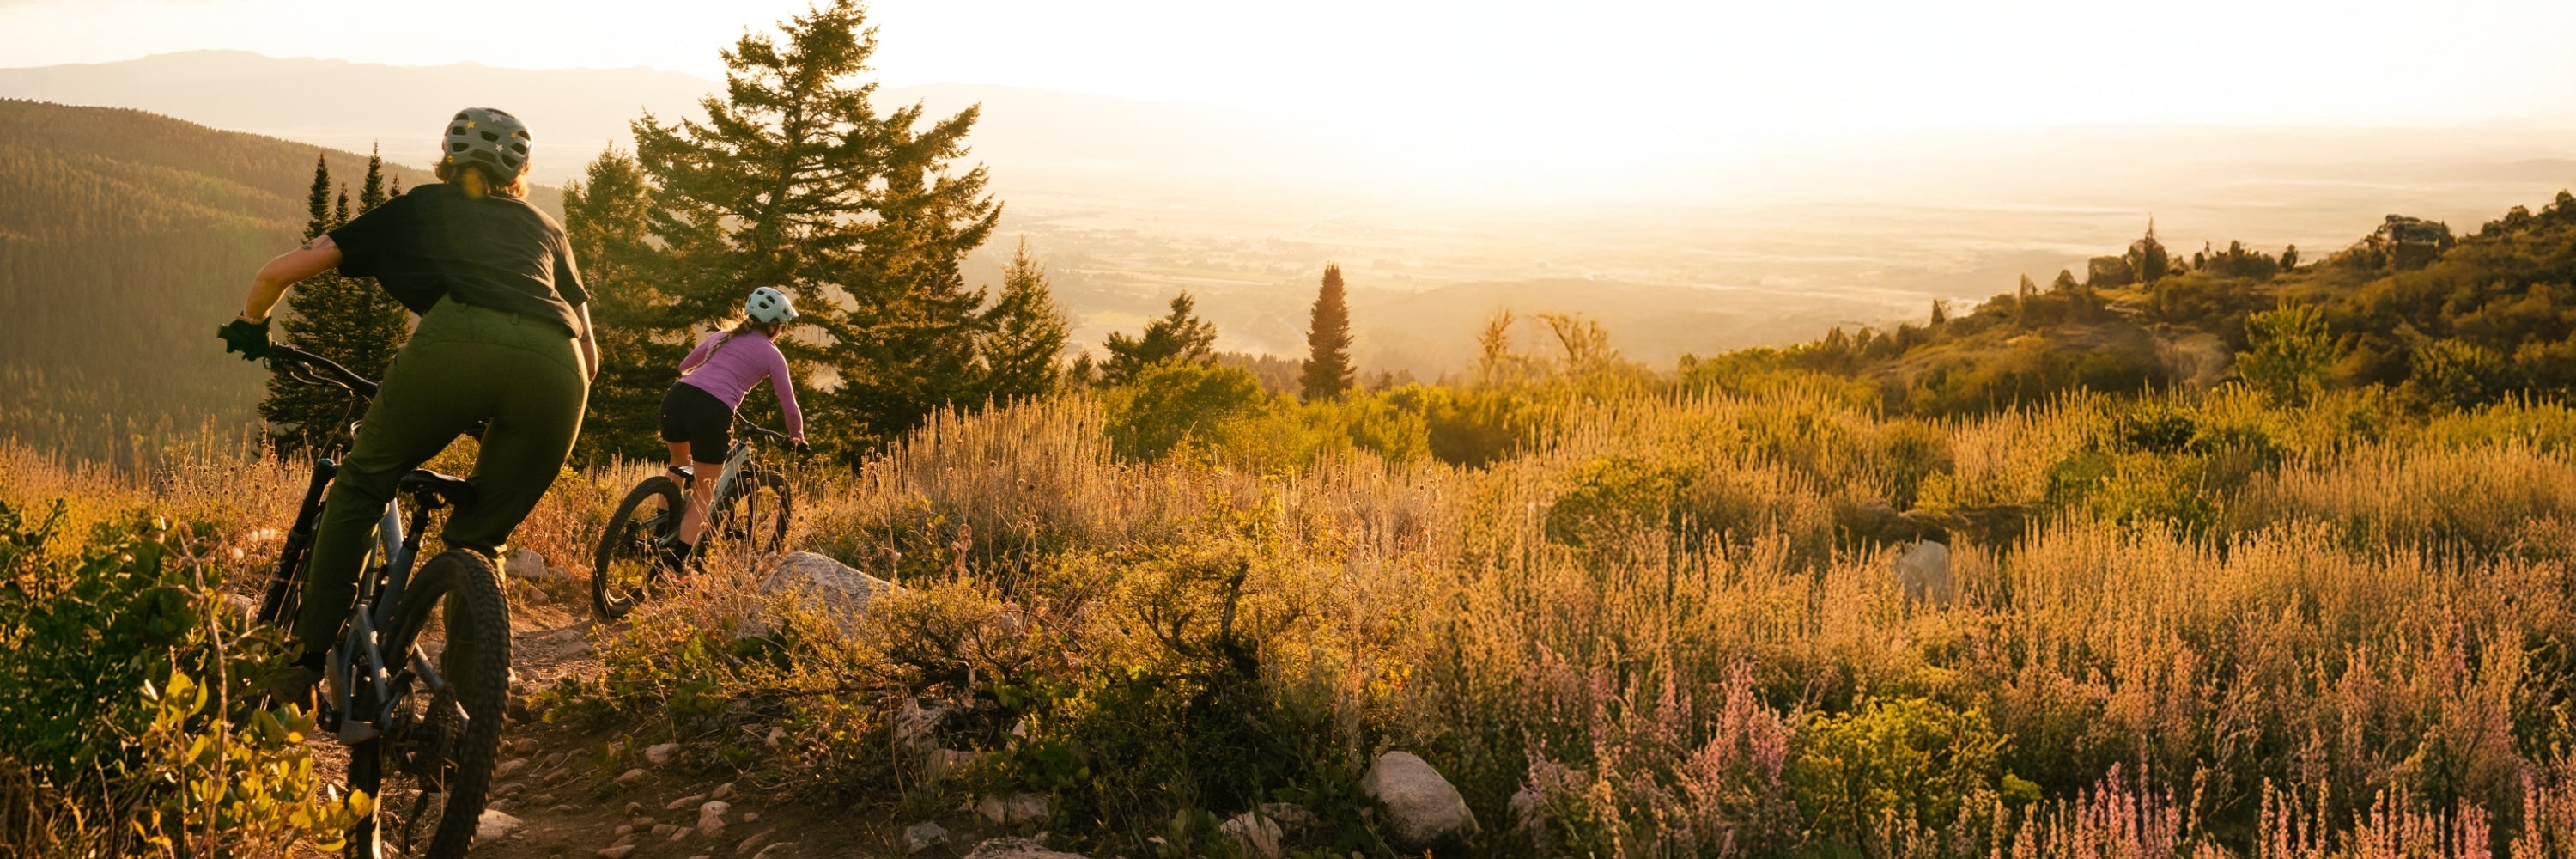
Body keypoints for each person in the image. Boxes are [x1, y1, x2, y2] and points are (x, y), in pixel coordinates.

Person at [216, 107, 598, 704]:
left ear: (447, 157)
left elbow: (278, 273)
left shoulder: (423, 204)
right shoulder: (547, 228)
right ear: (522, 171)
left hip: (456, 344)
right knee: (480, 538)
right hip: (559, 367)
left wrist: (251, 325)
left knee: (364, 482)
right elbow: (591, 353)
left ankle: (306, 658)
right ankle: (475, 697)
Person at [656, 287, 807, 568]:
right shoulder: (773, 355)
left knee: (678, 462)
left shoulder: (721, 336)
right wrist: (797, 437)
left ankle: (657, 533)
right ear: (774, 326)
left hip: (677, 397)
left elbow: (685, 366)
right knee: (705, 488)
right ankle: (674, 565)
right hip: (714, 410)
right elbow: (790, 407)